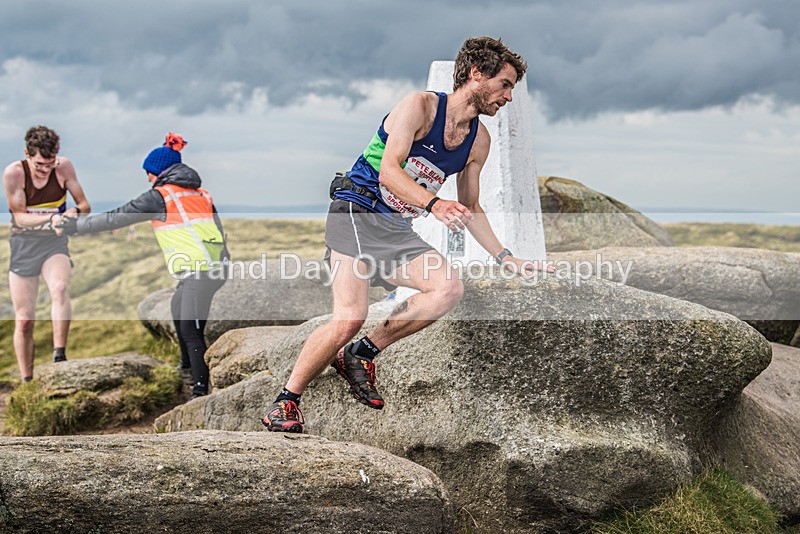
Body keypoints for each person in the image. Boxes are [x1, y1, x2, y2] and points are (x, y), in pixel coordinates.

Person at [262, 37, 553, 433]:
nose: (509, 97)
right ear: (476, 74)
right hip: (358, 211)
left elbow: (472, 207)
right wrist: (435, 205)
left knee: (447, 289)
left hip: (396, 228)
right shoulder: (419, 105)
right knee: (349, 317)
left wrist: (507, 257)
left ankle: (362, 353)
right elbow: (389, 172)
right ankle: (285, 402)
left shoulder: (477, 140)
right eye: (505, 84)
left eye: (512, 88)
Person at [56, 133, 228, 398]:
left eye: (149, 172)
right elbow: (217, 231)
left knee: (190, 330)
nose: (147, 178)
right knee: (177, 307)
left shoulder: (160, 196)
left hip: (200, 271)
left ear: (159, 171)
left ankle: (199, 391)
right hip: (213, 269)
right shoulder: (200, 194)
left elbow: (116, 218)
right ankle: (185, 371)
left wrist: (75, 227)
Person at [3, 126, 91, 382]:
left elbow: (84, 205)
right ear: (27, 154)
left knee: (60, 288)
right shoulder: (14, 173)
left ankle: (59, 356)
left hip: (54, 243)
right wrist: (51, 217)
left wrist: (73, 213)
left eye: (50, 164)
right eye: (40, 165)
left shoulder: (64, 167)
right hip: (23, 245)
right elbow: (19, 216)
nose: (45, 170)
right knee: (24, 320)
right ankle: (26, 379)